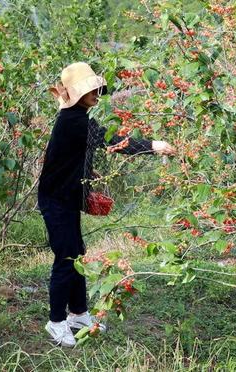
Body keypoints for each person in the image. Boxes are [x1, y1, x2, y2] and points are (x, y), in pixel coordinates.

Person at [38, 62, 176, 347]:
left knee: (77, 255)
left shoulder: (77, 118)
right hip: (57, 200)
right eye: (91, 90)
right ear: (77, 94)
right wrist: (152, 145)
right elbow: (112, 142)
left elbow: (75, 154)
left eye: (96, 89)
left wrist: (87, 173)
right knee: (66, 259)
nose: (96, 94)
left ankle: (78, 314)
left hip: (66, 197)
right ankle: (56, 322)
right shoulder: (74, 121)